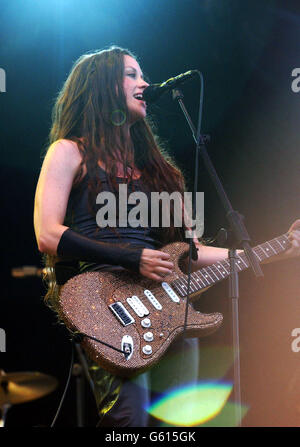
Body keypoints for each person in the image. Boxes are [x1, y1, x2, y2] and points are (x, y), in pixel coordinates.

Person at [34, 46, 300, 427]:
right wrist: (132, 258)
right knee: (129, 421)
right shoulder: (69, 152)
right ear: (101, 86)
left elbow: (190, 253)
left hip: (169, 312)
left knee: (179, 426)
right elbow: (47, 234)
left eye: (142, 75)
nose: (144, 82)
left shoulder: (161, 174)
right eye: (131, 74)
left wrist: (278, 249)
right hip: (106, 307)